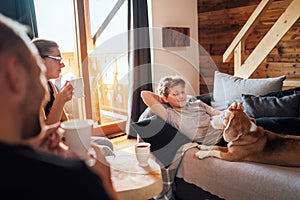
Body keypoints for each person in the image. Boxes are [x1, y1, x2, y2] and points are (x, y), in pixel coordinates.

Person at [0, 14, 120, 199]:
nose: (62, 64)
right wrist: (105, 183)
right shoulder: (72, 179)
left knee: (105, 145)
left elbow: (62, 124)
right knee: (101, 152)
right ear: (13, 74)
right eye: (38, 71)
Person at [141, 75, 243, 200]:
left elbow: (217, 113)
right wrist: (163, 97)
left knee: (267, 124)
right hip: (222, 141)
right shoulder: (169, 115)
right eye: (176, 93)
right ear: (165, 98)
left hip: (228, 129)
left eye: (183, 92)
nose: (181, 96)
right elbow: (144, 94)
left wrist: (231, 111)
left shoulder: (197, 103)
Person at [32, 38, 114, 154]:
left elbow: (65, 123)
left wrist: (80, 135)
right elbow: (43, 135)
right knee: (104, 150)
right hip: (48, 148)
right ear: (40, 60)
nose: (62, 64)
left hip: (62, 140)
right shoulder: (32, 92)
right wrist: (59, 101)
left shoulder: (50, 85)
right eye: (58, 59)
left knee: (106, 143)